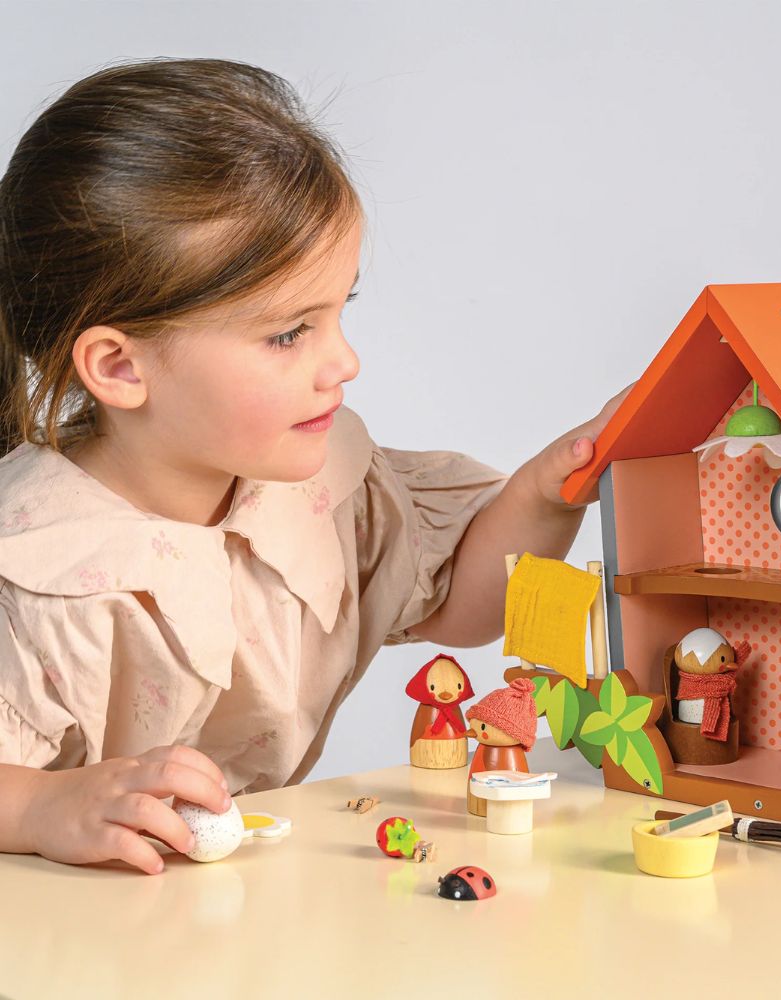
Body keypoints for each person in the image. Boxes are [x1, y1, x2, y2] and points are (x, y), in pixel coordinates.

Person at [0, 57, 629, 875]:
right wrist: (41, 805)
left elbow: (460, 605)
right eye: (289, 333)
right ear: (120, 367)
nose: (345, 362)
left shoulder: (316, 491)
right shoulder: (37, 563)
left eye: (340, 311)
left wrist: (549, 487)